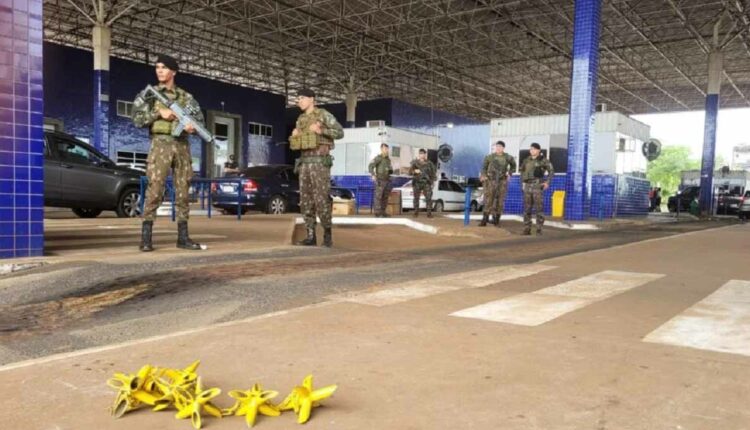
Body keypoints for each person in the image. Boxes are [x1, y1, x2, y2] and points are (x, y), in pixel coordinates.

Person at [132, 54, 203, 252]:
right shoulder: (150, 93)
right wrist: (158, 113)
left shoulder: (186, 98)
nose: (159, 70)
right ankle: (146, 238)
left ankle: (183, 237)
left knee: (183, 190)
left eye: (164, 67)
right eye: (157, 67)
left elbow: (200, 122)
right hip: (160, 144)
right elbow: (137, 119)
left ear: (173, 71)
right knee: (155, 189)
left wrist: (192, 128)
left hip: (181, 145)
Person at [290, 88, 344, 247]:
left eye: (302, 98)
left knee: (321, 199)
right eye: (298, 98)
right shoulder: (300, 119)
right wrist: (296, 135)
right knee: (306, 200)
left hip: (320, 162)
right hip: (304, 163)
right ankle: (310, 235)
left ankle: (327, 234)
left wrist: (321, 130)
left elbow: (340, 132)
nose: (299, 101)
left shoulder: (323, 114)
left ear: (311, 99)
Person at [519, 143, 554, 235]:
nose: (532, 151)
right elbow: (522, 172)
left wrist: (547, 182)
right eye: (531, 149)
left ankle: (539, 229)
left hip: (537, 186)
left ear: (538, 150)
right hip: (527, 186)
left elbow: (551, 171)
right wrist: (522, 183)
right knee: (527, 208)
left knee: (539, 208)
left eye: (534, 149)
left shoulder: (543, 160)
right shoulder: (526, 160)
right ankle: (527, 228)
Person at [479, 141, 516, 227]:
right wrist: (483, 175)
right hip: (491, 181)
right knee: (489, 199)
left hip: (502, 181)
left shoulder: (508, 157)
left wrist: (509, 173)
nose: (498, 148)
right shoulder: (490, 157)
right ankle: (485, 219)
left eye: (500, 146)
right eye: (497, 146)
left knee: (500, 200)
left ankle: (496, 219)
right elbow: (484, 167)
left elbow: (514, 166)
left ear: (503, 148)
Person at [409, 148, 437, 218]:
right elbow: (409, 172)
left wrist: (433, 181)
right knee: (416, 198)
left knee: (428, 198)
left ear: (425, 155)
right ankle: (416, 212)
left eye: (423, 154)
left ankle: (429, 213)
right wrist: (414, 171)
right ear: (419, 154)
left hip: (426, 182)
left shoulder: (429, 163)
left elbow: (433, 173)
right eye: (420, 154)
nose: (422, 155)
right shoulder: (414, 163)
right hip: (417, 182)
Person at [369, 143, 394, 217]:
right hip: (380, 180)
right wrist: (373, 175)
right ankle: (377, 212)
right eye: (385, 149)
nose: (386, 150)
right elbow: (370, 166)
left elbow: (390, 169)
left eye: (387, 149)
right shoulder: (378, 158)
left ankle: (383, 212)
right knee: (378, 197)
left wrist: (390, 171)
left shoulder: (388, 159)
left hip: (387, 180)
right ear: (381, 149)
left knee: (385, 197)